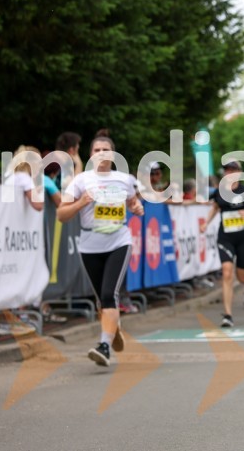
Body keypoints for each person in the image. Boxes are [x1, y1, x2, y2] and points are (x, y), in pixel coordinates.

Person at [56, 132, 144, 366]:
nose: (101, 154)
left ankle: (104, 346)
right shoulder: (81, 180)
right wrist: (80, 203)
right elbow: (61, 215)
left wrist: (136, 208)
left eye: (105, 150)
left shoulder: (125, 179)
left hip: (118, 241)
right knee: (101, 301)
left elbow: (134, 201)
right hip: (90, 244)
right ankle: (113, 328)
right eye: (96, 151)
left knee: (108, 294)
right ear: (90, 155)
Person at [201, 161, 244, 327]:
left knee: (241, 276)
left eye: (232, 169)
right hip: (225, 236)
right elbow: (215, 208)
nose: (229, 172)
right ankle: (227, 315)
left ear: (239, 173)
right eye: (226, 170)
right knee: (227, 272)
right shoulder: (220, 191)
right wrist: (206, 223)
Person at [4, 145, 44, 212]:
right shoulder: (24, 178)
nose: (41, 166)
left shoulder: (10, 174)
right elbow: (38, 205)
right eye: (39, 162)